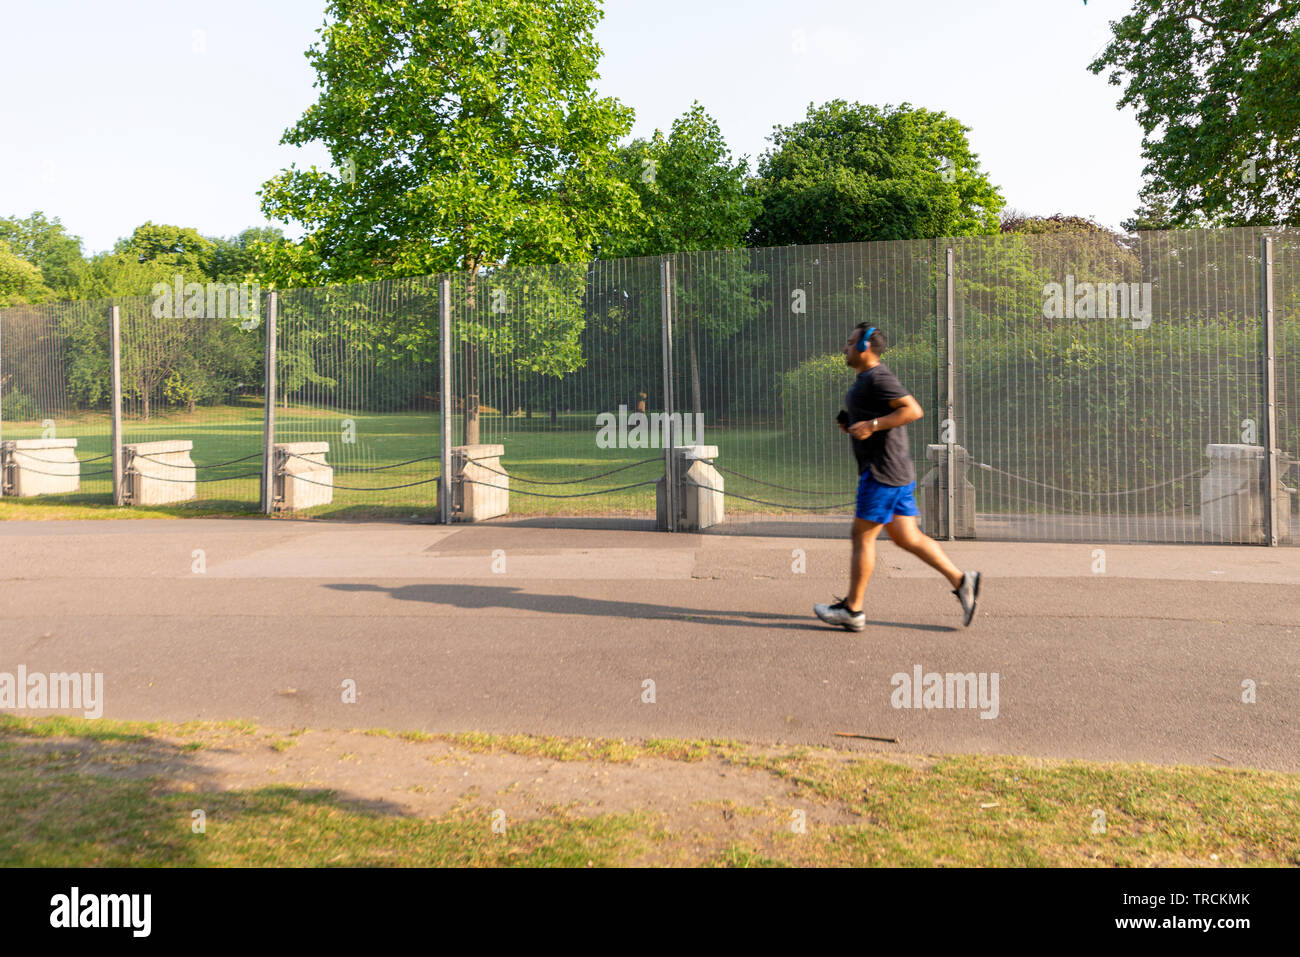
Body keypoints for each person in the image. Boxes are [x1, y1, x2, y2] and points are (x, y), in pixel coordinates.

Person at [814, 323, 981, 632]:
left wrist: (872, 425)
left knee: (862, 535)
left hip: (882, 473)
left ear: (865, 347)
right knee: (908, 537)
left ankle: (853, 610)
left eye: (850, 343)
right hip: (895, 472)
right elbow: (876, 415)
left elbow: (912, 410)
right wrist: (853, 423)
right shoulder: (866, 379)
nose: (845, 348)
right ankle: (962, 580)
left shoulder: (879, 377)